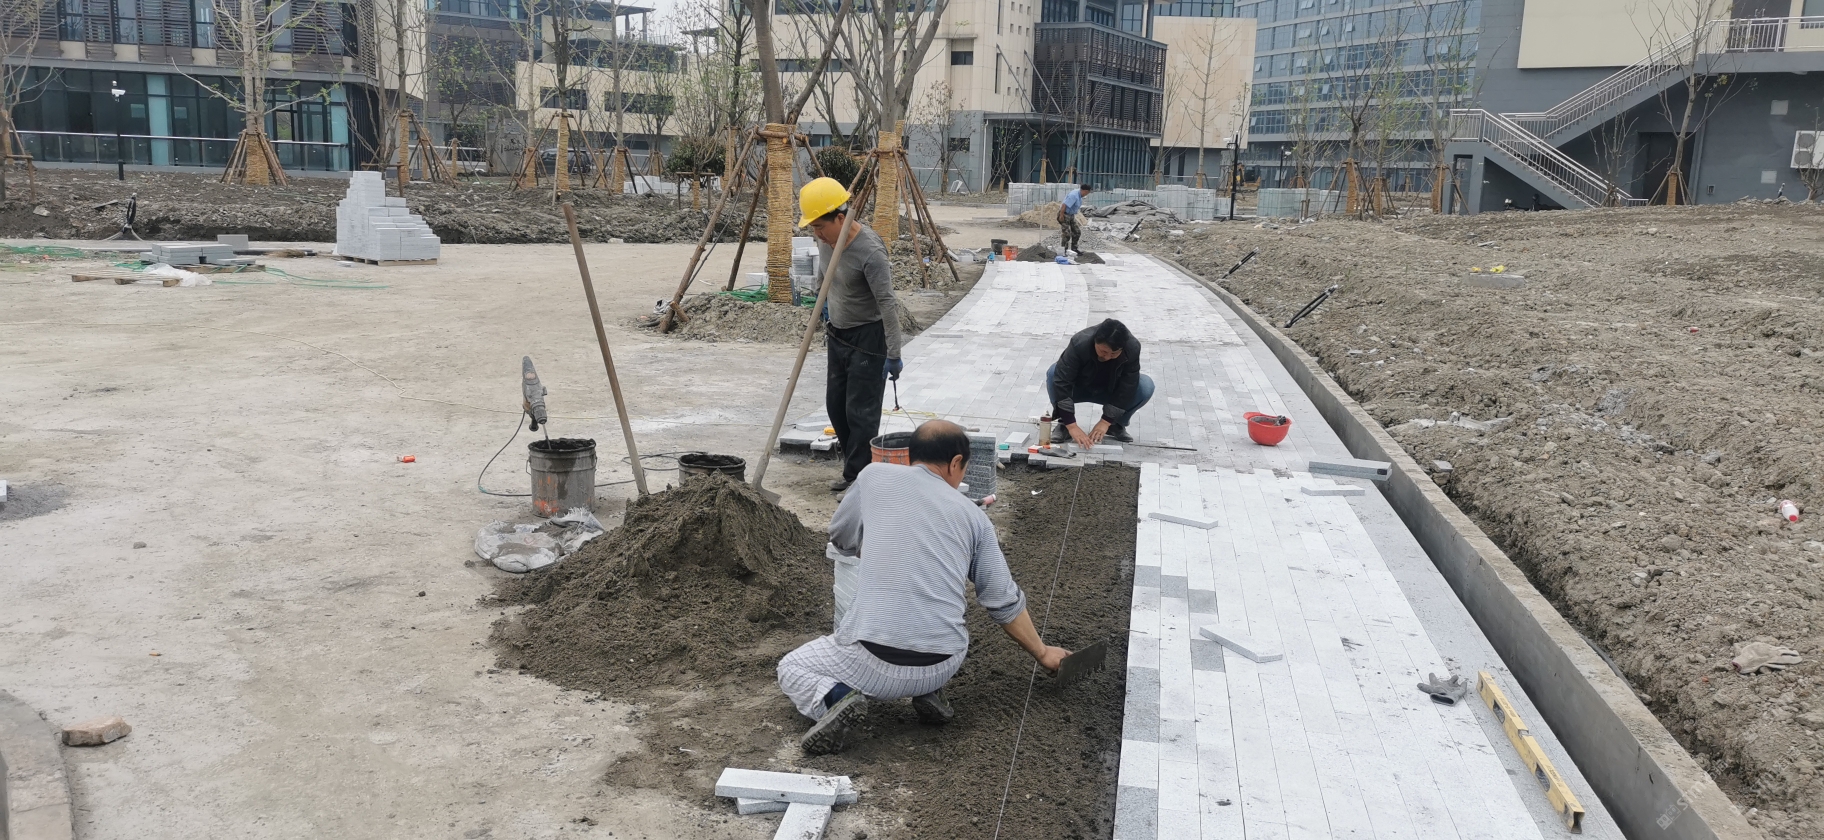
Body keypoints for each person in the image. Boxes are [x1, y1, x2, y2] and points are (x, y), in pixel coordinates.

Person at [777, 420, 1071, 755]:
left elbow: (841, 536)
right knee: (935, 613)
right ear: (956, 463)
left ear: (908, 456)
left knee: (792, 667)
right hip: (943, 664)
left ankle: (838, 699)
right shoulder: (975, 518)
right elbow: (1002, 600)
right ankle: (929, 692)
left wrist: (870, 546)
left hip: (869, 665)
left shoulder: (873, 477)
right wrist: (1042, 653)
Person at [798, 177, 905, 492]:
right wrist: (822, 307)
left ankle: (860, 480)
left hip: (868, 339)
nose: (817, 235)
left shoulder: (870, 252)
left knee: (860, 412)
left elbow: (887, 303)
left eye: (820, 227)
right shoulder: (826, 241)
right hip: (838, 335)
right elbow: (824, 277)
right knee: (836, 407)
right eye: (813, 228)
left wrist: (894, 353)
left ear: (841, 218)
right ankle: (854, 470)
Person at [1047, 318, 1153, 445]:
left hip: (1110, 390)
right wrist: (1072, 425)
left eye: (1113, 354)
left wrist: (1106, 421)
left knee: (1145, 386)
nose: (1107, 357)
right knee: (1053, 372)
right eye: (1103, 351)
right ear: (1095, 341)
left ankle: (1115, 424)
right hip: (1079, 387)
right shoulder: (1079, 342)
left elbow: (1128, 385)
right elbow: (1062, 381)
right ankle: (1064, 424)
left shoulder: (1132, 348)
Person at [1058, 183, 1090, 254]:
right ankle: (1063, 251)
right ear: (1085, 191)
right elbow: (1064, 205)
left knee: (1077, 232)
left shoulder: (1079, 195)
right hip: (1064, 214)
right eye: (1087, 193)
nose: (1086, 195)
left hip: (1071, 215)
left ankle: (1074, 249)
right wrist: (1061, 215)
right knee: (1066, 234)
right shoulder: (1074, 195)